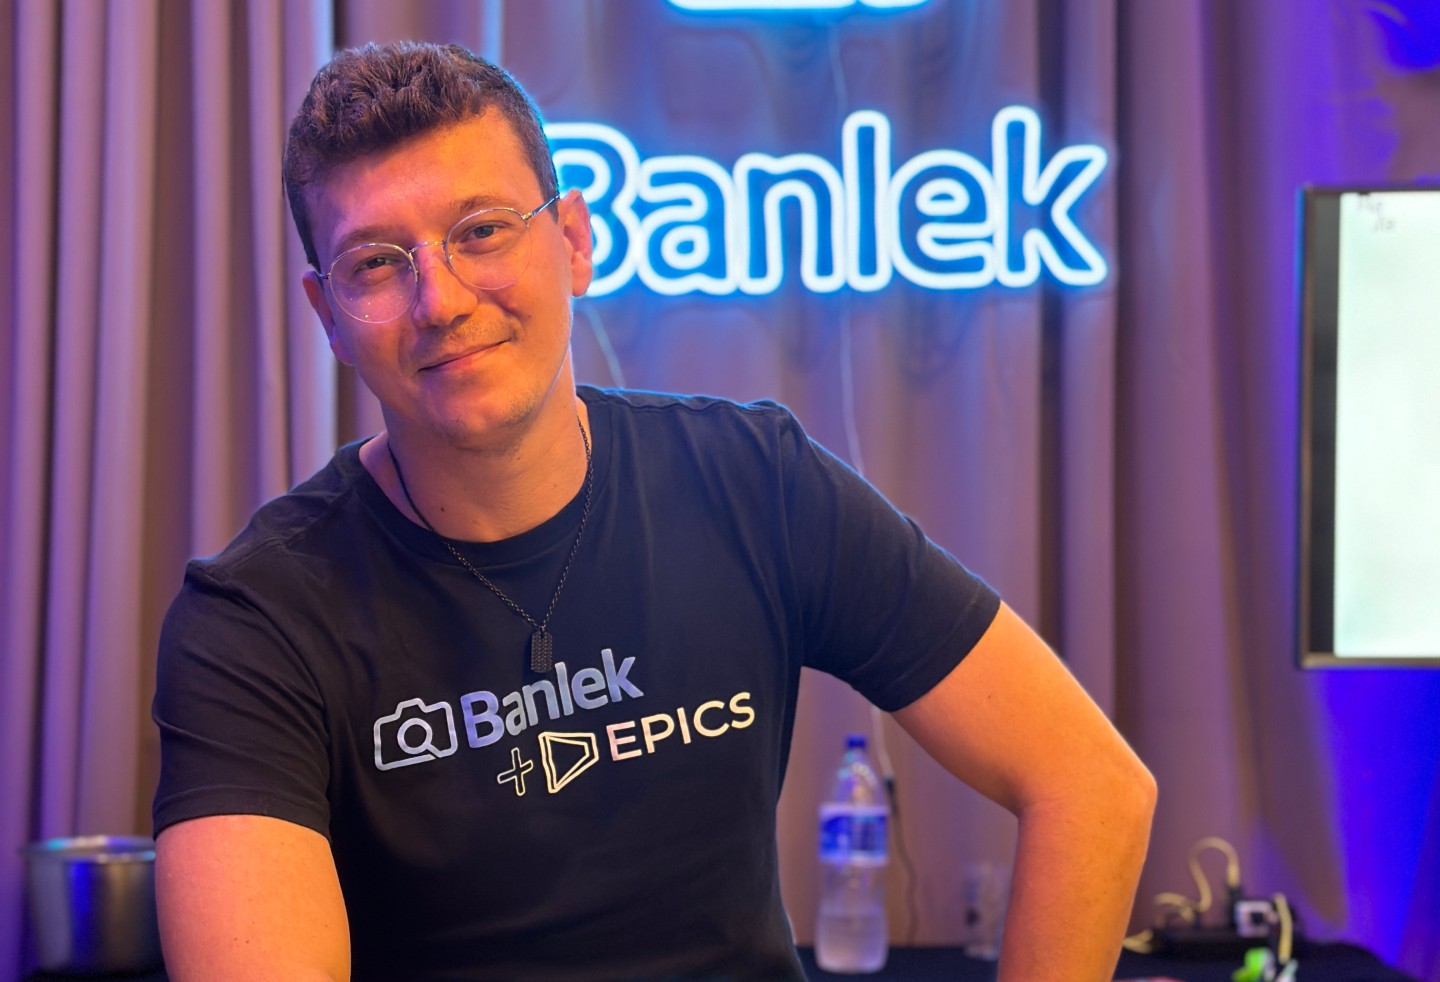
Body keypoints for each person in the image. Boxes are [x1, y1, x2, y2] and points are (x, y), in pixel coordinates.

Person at [151, 40, 1156, 982]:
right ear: (327, 315)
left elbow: (1093, 785)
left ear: (573, 241)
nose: (441, 300)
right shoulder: (258, 619)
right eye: (376, 262)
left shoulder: (753, 483)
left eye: (482, 231)